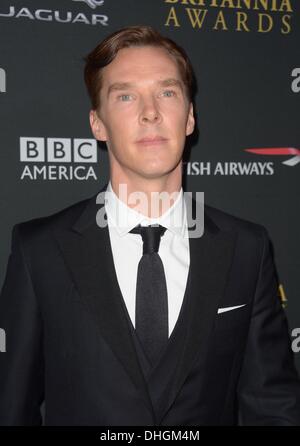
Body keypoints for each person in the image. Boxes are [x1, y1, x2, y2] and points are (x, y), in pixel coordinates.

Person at [0, 25, 300, 427]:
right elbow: (11, 408)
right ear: (97, 124)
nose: (150, 111)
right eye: (125, 96)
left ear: (190, 116)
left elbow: (273, 405)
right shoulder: (40, 250)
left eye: (167, 92)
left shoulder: (247, 248)